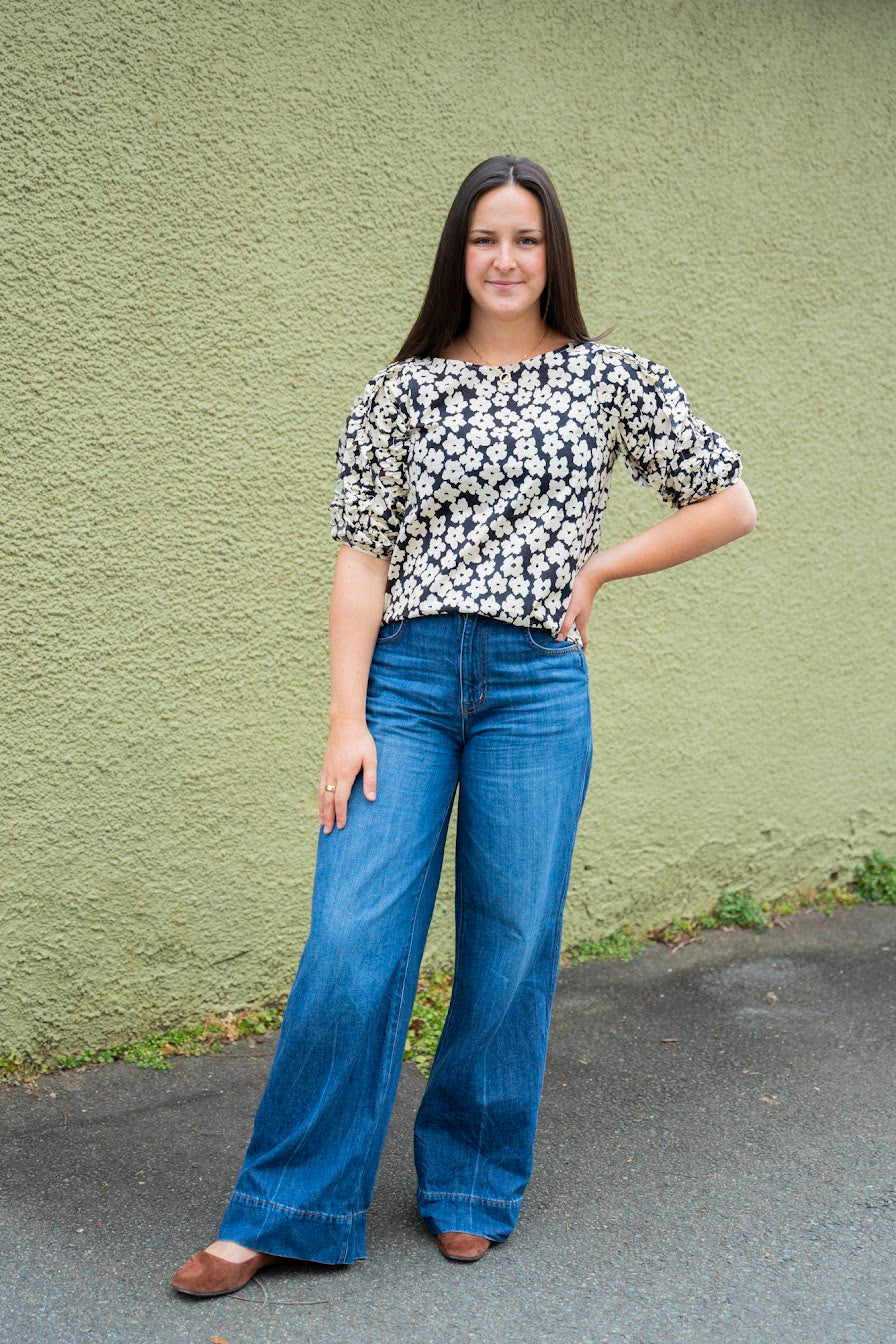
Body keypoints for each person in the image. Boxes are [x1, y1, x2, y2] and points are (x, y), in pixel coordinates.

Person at [171, 154, 757, 1297]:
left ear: (552, 256)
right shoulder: (398, 392)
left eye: (526, 240)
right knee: (351, 940)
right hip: (406, 682)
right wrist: (345, 719)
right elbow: (358, 563)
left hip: (537, 687)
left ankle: (472, 1184)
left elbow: (728, 501)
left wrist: (600, 570)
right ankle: (286, 1206)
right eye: (485, 238)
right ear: (458, 252)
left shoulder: (607, 379)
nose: (504, 259)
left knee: (510, 942)